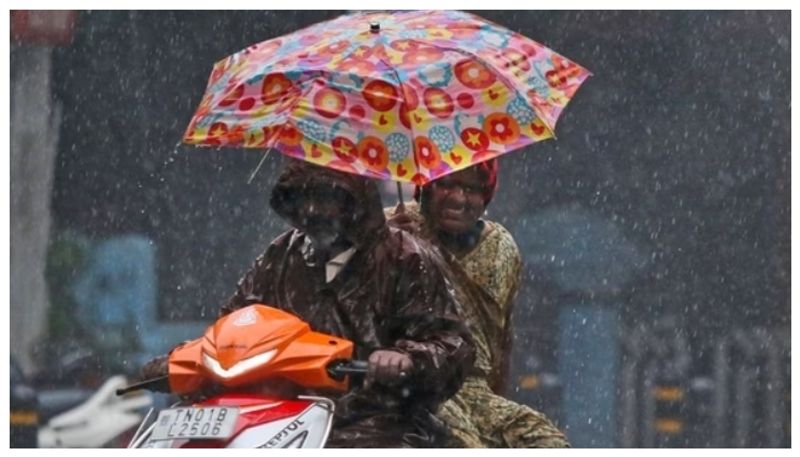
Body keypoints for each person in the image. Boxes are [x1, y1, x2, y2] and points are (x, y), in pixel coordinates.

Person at [141, 159, 474, 448]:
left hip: (371, 423)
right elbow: (231, 329)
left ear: (355, 201)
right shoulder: (280, 254)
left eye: (326, 197)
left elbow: (451, 345)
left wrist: (406, 360)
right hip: (272, 418)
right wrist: (185, 360)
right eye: (303, 197)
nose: (312, 210)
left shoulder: (407, 258)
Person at [386, 159, 570, 448]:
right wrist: (388, 246)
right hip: (416, 384)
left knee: (547, 442)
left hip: (475, 390)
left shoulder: (500, 248)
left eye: (472, 189)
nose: (459, 199)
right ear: (426, 188)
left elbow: (501, 339)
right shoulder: (390, 229)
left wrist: (499, 403)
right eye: (447, 185)